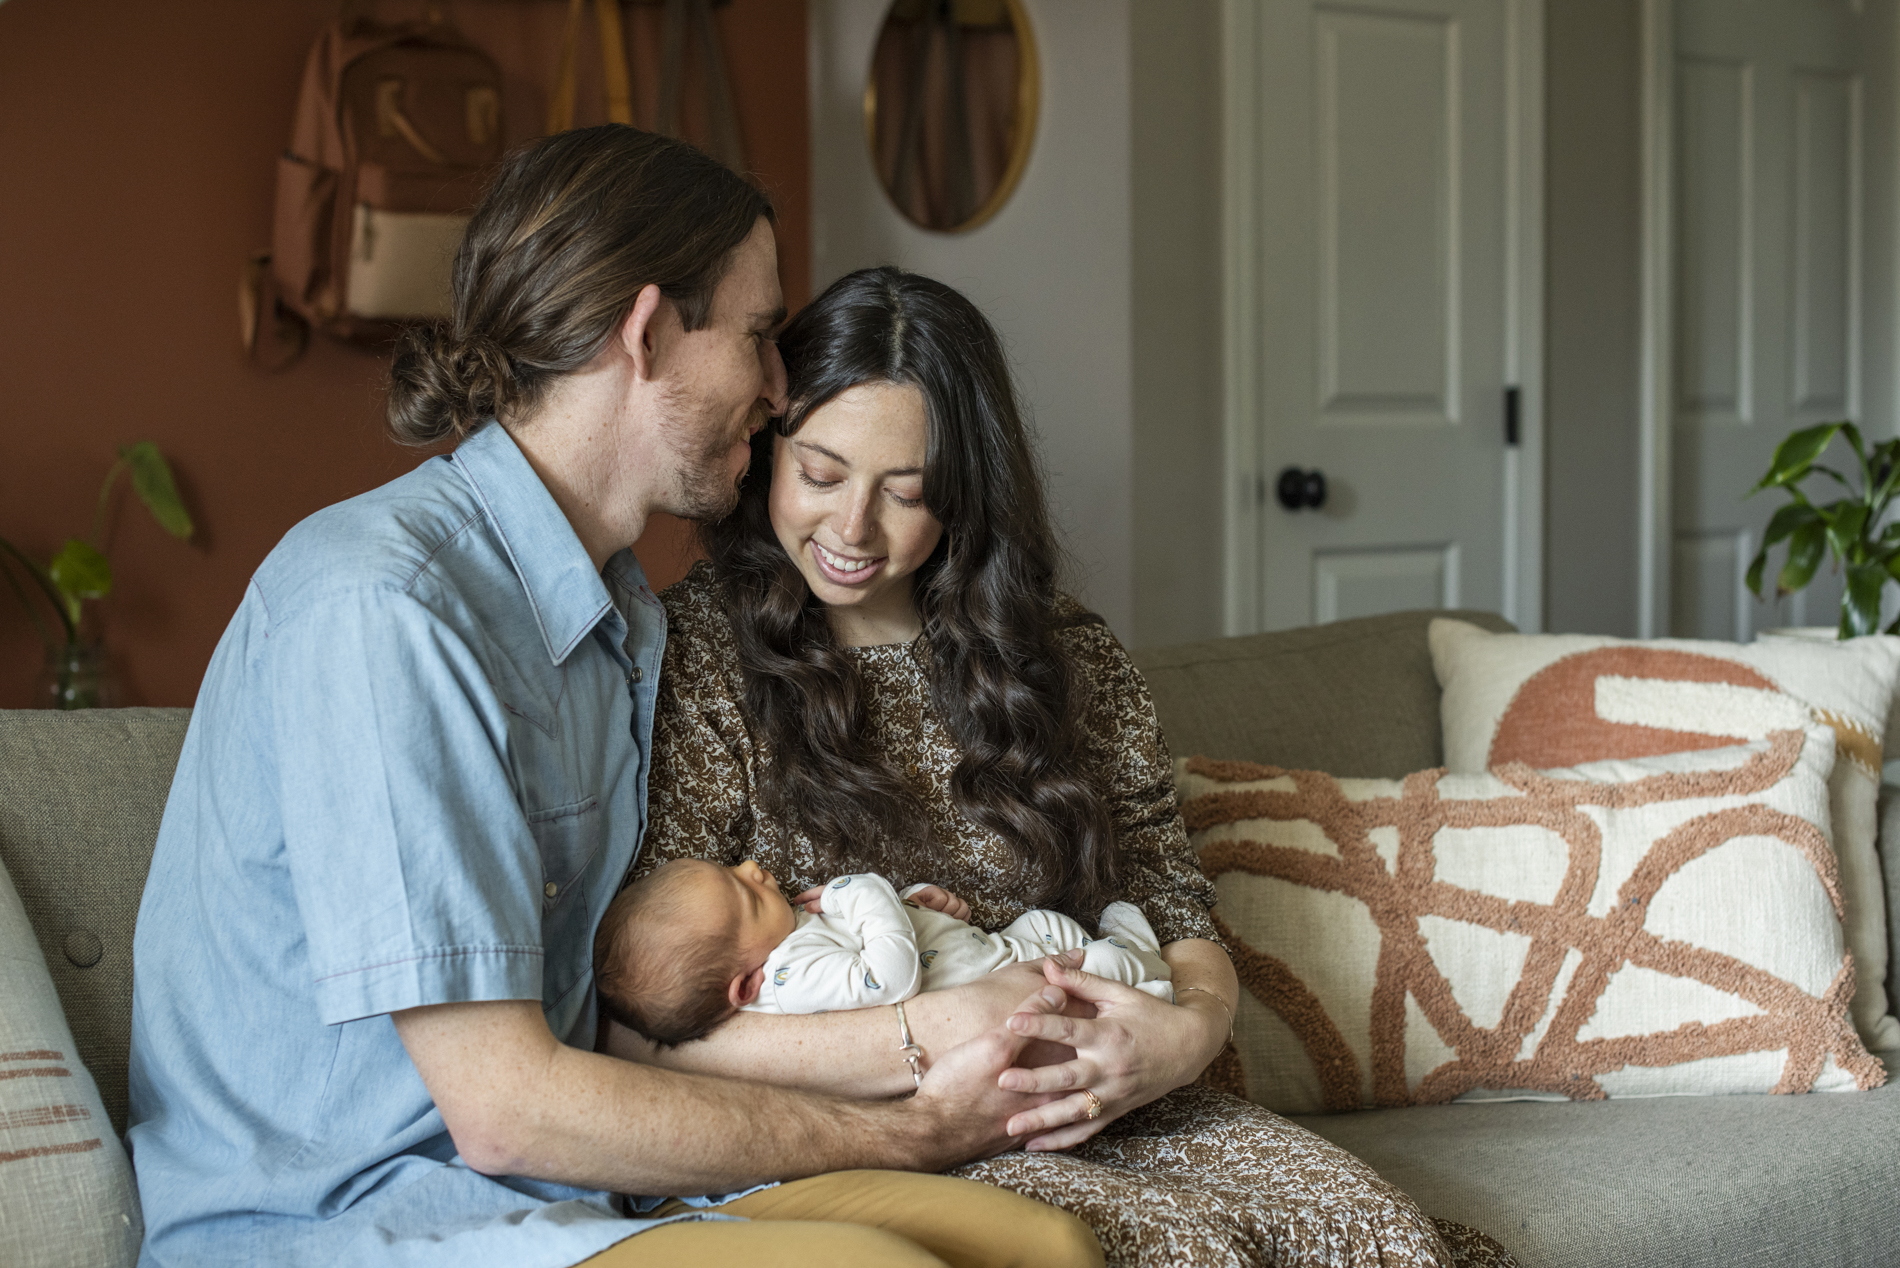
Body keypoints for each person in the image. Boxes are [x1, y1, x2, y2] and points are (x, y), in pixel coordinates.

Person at [125, 126, 1107, 1268]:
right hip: (357, 1221)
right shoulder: (386, 605)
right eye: (755, 335)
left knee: (1040, 1245)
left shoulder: (619, 617)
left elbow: (606, 1025)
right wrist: (904, 1128)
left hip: (573, 1199)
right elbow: (504, 1108)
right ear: (645, 333)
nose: (780, 386)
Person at [613, 266, 1518, 1267]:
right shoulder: (694, 658)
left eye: (905, 491)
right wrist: (928, 1037)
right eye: (821, 473)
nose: (853, 528)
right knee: (1177, 1250)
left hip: (1118, 1091)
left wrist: (1185, 1036)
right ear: (768, 442)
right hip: (886, 1125)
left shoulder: (1060, 651)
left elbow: (1170, 897)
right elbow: (657, 1025)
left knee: (1371, 1231)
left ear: (962, 495)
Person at [594, 859, 1174, 1045]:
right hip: (1013, 980)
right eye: (745, 894)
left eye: (732, 869)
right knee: (1095, 968)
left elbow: (872, 948)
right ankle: (1148, 972)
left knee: (1044, 923)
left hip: (991, 952)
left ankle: (1135, 969)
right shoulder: (791, 978)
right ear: (745, 986)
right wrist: (865, 889)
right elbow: (889, 980)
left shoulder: (788, 948)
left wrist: (910, 908)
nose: (753, 869)